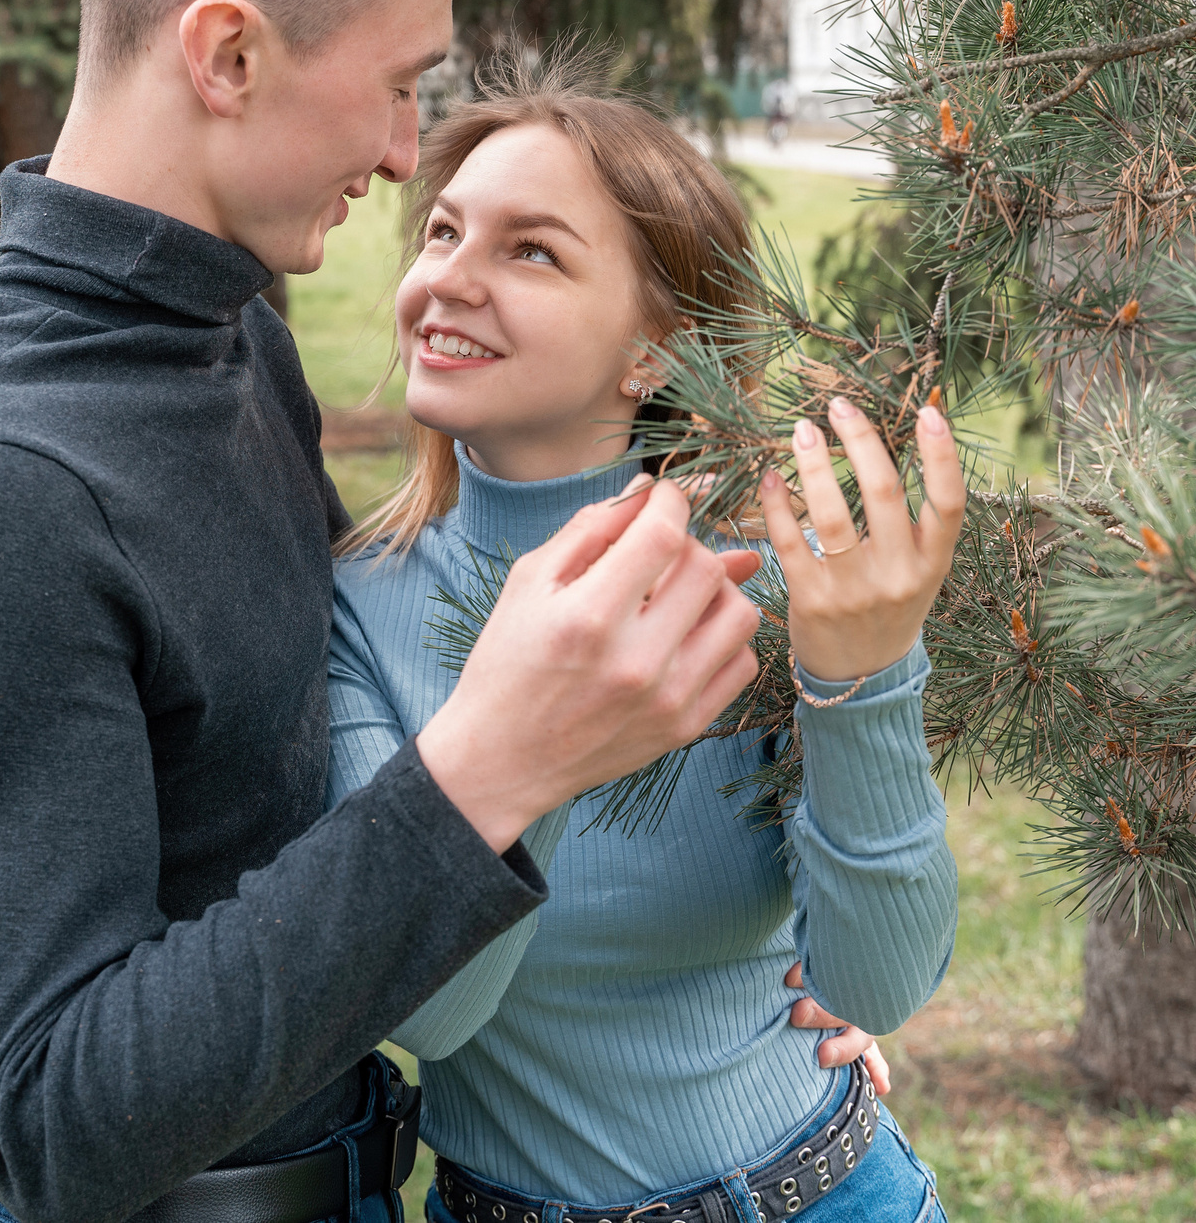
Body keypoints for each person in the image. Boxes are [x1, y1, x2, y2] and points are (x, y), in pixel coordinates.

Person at [0, 0, 776, 1223]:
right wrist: (486, 773)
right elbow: (54, 1122)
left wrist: (774, 1014)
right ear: (229, 55)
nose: (402, 152)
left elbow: (307, 799)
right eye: (398, 86)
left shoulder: (230, 333)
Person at [327, 63, 966, 1223]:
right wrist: (552, 732)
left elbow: (878, 980)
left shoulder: (770, 584)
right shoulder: (356, 606)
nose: (444, 282)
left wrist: (861, 678)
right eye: (442, 232)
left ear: (654, 352)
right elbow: (422, 1014)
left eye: (531, 251)